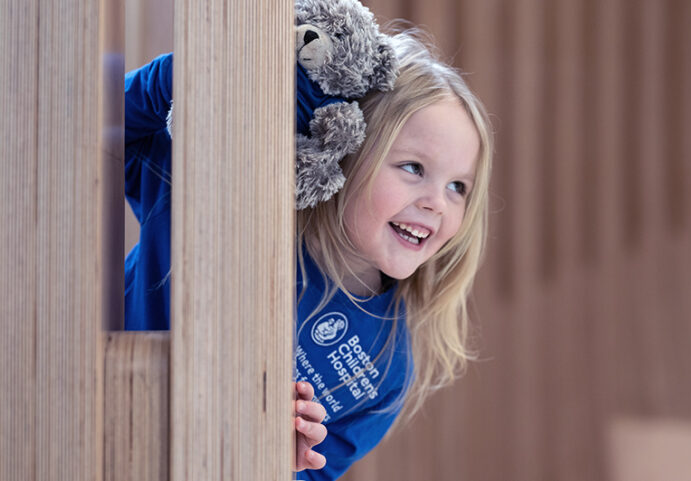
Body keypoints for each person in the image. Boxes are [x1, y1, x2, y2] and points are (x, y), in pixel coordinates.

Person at [123, 30, 493, 481]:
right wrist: (192, 75)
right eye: (413, 168)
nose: (438, 202)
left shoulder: (383, 369)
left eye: (459, 187)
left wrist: (277, 463)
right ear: (345, 153)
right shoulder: (225, 205)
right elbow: (107, 123)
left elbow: (313, 473)